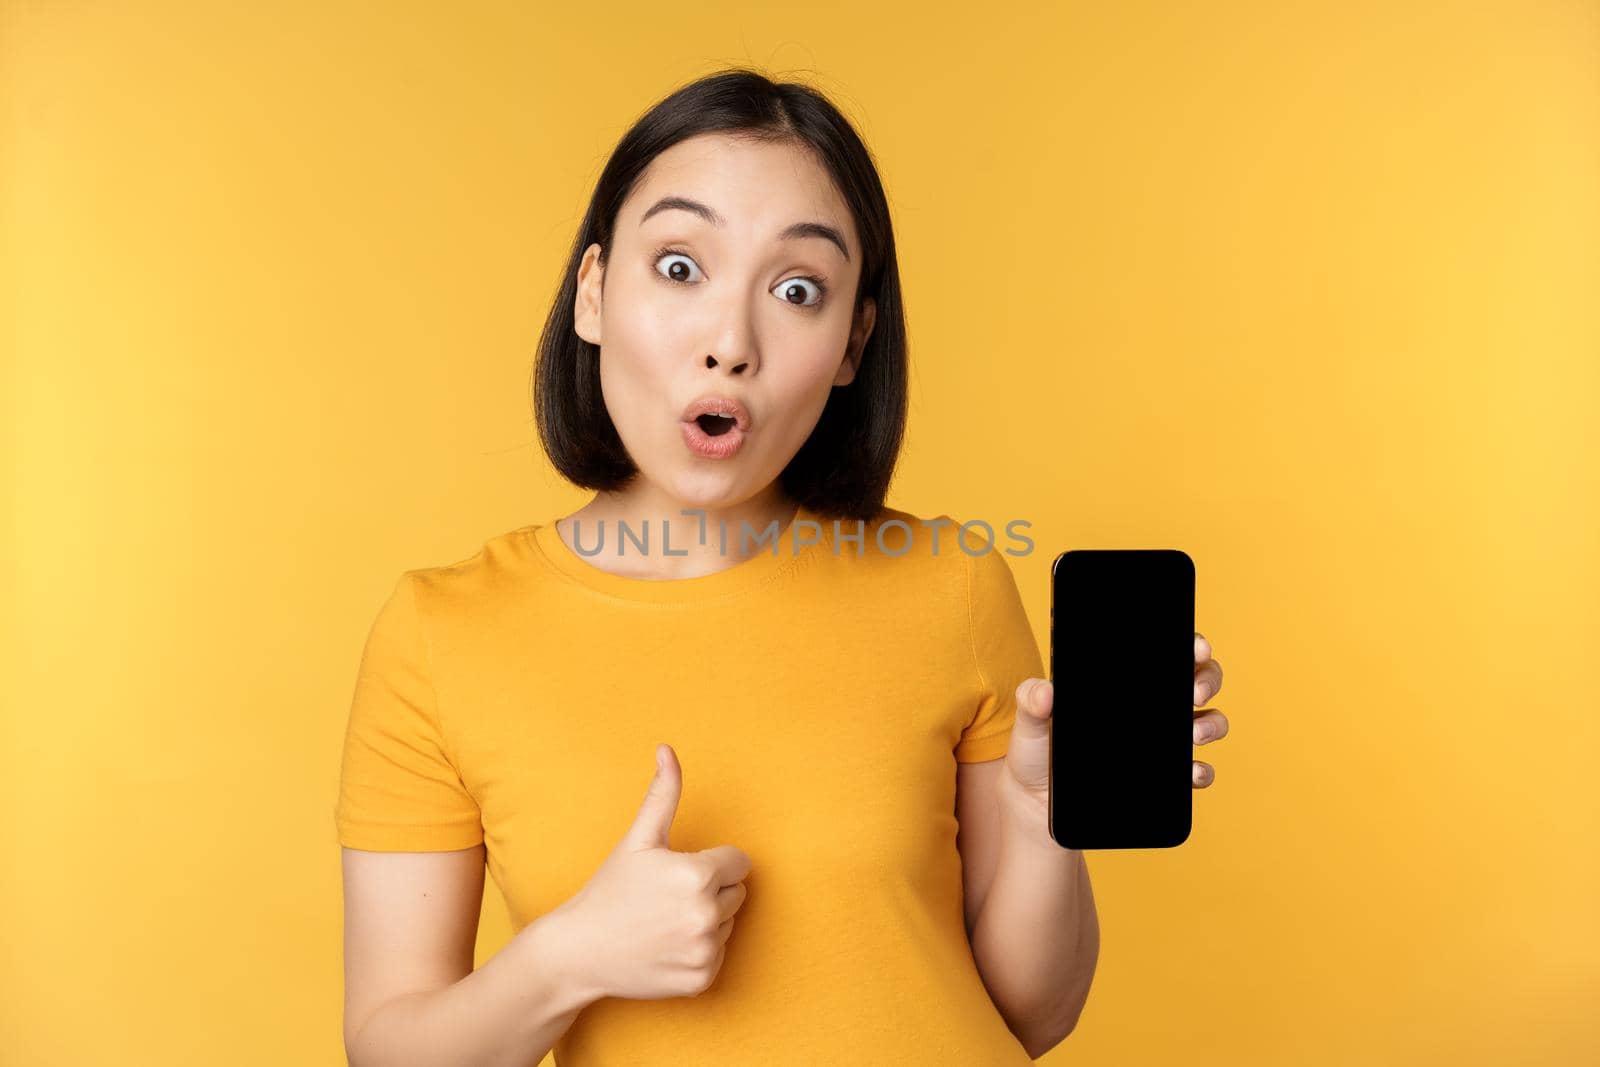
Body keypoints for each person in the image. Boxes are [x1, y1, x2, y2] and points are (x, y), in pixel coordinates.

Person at [334, 67, 1111, 1065]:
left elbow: (1032, 1016)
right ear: (591, 296)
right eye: (678, 266)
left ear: (850, 346)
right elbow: (390, 1049)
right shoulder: (441, 634)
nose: (730, 342)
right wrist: (567, 957)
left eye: (798, 289)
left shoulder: (951, 583)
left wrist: (1048, 811)